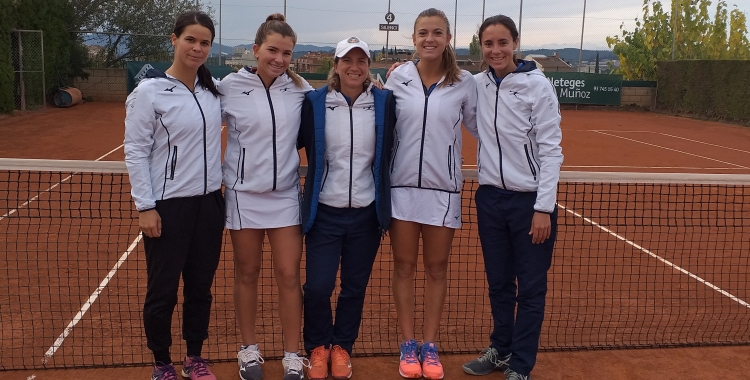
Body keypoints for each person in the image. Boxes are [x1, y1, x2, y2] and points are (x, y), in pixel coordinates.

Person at [461, 15, 563, 380]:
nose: (495, 50)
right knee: (499, 282)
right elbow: (471, 121)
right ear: (481, 48)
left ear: (515, 43)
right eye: (488, 44)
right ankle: (500, 350)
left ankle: (520, 365)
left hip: (530, 204)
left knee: (531, 289)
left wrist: (543, 208)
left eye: (502, 42)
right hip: (489, 199)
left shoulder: (538, 86)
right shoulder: (476, 84)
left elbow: (552, 152)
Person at [124, 11, 224, 380]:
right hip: (168, 208)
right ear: (174, 40)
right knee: (163, 291)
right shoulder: (149, 92)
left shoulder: (214, 91)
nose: (197, 48)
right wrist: (146, 207)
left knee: (200, 288)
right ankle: (162, 362)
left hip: (211, 205)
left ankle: (194, 357)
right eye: (191, 40)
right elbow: (135, 150)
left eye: (204, 42)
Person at [385, 8, 478, 380]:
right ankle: (408, 343)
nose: (429, 39)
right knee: (404, 267)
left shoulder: (465, 83)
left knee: (437, 269)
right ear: (413, 38)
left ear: (448, 38)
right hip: (402, 191)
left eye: (437, 33)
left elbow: (482, 126)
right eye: (423, 33)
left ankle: (430, 344)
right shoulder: (397, 79)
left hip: (443, 192)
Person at [220, 13, 313, 380]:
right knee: (246, 273)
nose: (279, 58)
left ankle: (292, 353)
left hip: (286, 195)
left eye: (287, 52)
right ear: (256, 49)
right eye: (272, 50)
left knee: (289, 275)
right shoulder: (229, 86)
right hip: (244, 196)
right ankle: (249, 351)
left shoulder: (300, 88)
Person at [298, 36, 396, 380]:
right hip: (324, 211)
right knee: (319, 287)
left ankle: (342, 348)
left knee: (355, 287)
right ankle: (318, 347)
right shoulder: (314, 102)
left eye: (361, 61)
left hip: (366, 214)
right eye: (347, 60)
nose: (354, 67)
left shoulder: (384, 102)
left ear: (368, 66)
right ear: (335, 65)